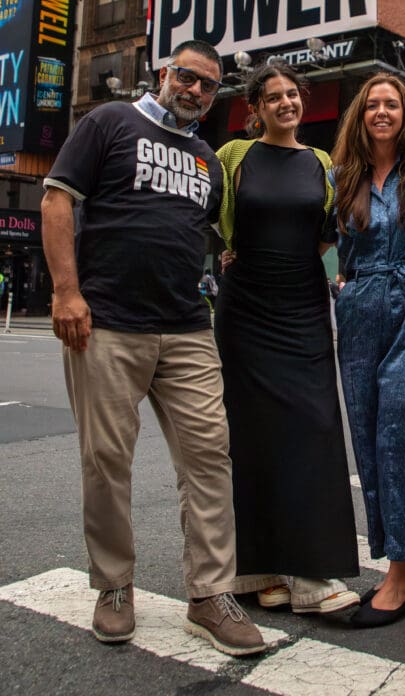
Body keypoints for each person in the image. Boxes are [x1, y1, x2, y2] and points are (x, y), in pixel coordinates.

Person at [40, 40, 264, 657]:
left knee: (210, 458)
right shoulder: (108, 123)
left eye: (208, 86)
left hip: (188, 327)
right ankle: (114, 587)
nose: (195, 91)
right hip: (106, 321)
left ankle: (209, 595)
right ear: (165, 74)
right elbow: (56, 199)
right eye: (187, 77)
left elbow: (215, 236)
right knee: (107, 461)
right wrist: (66, 293)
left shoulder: (207, 161)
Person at [214, 63, 359, 616]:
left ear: (303, 101)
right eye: (272, 97)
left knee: (315, 427)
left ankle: (310, 573)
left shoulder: (321, 163)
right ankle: (258, 572)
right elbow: (209, 214)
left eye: (291, 95)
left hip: (302, 306)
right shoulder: (232, 156)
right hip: (245, 307)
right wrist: (225, 251)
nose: (284, 103)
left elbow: (331, 232)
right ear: (255, 109)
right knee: (249, 434)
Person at [331, 74, 405, 628]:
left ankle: (402, 572)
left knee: (404, 432)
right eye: (373, 104)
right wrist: (337, 282)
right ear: (361, 115)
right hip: (359, 310)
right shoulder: (342, 177)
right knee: (368, 433)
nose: (382, 112)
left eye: (392, 104)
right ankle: (402, 556)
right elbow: (317, 241)